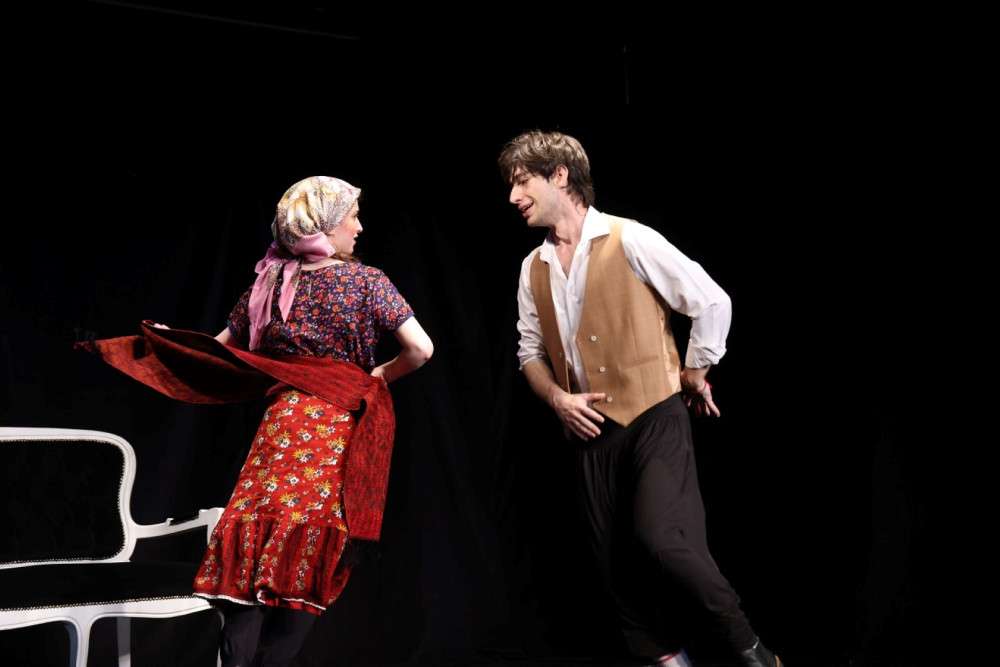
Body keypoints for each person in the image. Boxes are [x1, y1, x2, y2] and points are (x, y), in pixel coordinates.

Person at [93, 176, 433, 667]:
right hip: (331, 430)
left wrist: (167, 345)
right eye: (353, 217)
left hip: (280, 427)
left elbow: (216, 352)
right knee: (304, 554)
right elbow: (421, 349)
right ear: (326, 225)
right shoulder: (368, 281)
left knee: (252, 556)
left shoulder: (268, 284)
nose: (359, 227)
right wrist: (377, 376)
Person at [501, 131, 781, 667]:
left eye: (522, 181)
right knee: (611, 565)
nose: (513, 196)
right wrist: (557, 398)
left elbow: (711, 302)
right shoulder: (532, 267)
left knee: (665, 540)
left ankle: (751, 651)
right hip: (589, 432)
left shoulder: (630, 239)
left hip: (653, 415)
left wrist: (694, 369)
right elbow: (529, 352)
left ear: (559, 175)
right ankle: (668, 662)